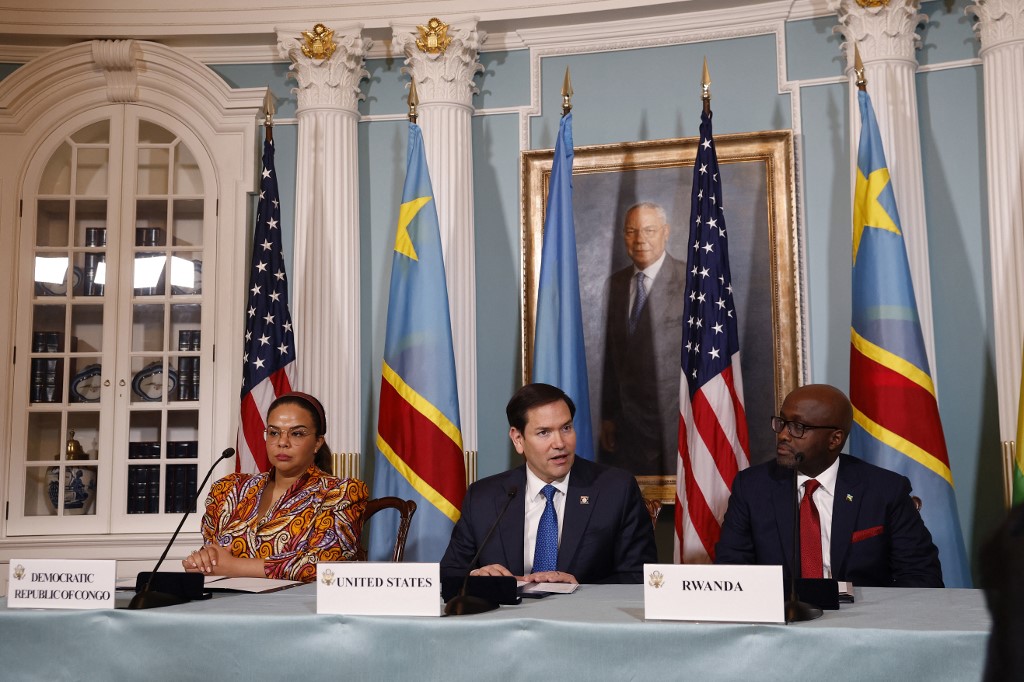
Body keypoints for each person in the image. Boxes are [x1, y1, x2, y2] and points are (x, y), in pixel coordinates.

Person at [714, 383, 943, 587]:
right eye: (782, 423)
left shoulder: (885, 490)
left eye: (798, 427)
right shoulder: (752, 487)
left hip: (862, 624)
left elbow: (921, 576)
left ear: (834, 439)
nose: (783, 435)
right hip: (783, 621)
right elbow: (731, 572)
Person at [441, 383, 657, 585]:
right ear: (518, 439)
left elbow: (638, 576)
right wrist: (475, 577)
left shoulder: (615, 490)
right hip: (506, 620)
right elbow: (450, 572)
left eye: (566, 428)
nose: (560, 443)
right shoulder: (484, 498)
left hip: (582, 620)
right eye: (544, 432)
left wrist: (578, 590)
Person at [183, 392, 368, 582]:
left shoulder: (340, 493)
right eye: (274, 432)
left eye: (297, 433)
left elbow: (326, 566)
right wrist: (201, 560)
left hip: (296, 606)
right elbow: (213, 556)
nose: (282, 442)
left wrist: (234, 566)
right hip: (226, 602)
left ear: (317, 443)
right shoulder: (229, 488)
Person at [600, 201, 686, 477]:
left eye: (649, 230)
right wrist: (609, 415)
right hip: (625, 429)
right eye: (631, 231)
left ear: (666, 232)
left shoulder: (690, 280)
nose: (640, 240)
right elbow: (611, 361)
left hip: (674, 425)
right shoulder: (614, 284)